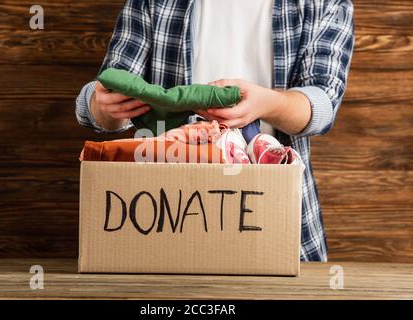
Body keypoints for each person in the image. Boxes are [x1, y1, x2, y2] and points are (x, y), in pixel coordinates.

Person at [75, 0, 355, 261]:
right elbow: (101, 100)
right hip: (167, 211)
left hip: (278, 211)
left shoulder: (325, 3)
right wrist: (104, 106)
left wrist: (268, 104)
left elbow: (322, 105)